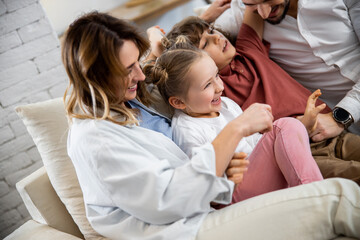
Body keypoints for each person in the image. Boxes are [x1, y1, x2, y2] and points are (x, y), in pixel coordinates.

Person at [61, 11, 360, 240]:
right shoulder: (95, 139)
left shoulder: (134, 97)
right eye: (128, 70)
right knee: (338, 196)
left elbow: (172, 67)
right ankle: (312, 196)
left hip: (215, 191)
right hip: (187, 226)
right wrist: (237, 129)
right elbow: (168, 200)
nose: (140, 76)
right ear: (96, 75)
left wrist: (195, 24)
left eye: (138, 63)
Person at [160, 6, 360, 184]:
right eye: (205, 43)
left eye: (212, 30)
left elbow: (253, 7)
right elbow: (257, 142)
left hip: (331, 132)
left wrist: (207, 16)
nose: (217, 37)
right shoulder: (216, 95)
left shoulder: (248, 49)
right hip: (298, 153)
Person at [146, 36, 324, 204]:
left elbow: (255, 142)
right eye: (207, 85)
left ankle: (309, 192)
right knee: (284, 126)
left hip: (257, 175)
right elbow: (205, 180)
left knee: (285, 129)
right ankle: (315, 198)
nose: (219, 87)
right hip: (232, 193)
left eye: (216, 75)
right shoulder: (187, 130)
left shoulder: (226, 105)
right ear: (178, 102)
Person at [215, 0, 360, 141]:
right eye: (251, 5)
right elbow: (199, 42)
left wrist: (341, 116)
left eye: (268, 0)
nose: (263, 14)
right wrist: (205, 17)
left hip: (340, 118)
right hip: (334, 132)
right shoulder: (245, 14)